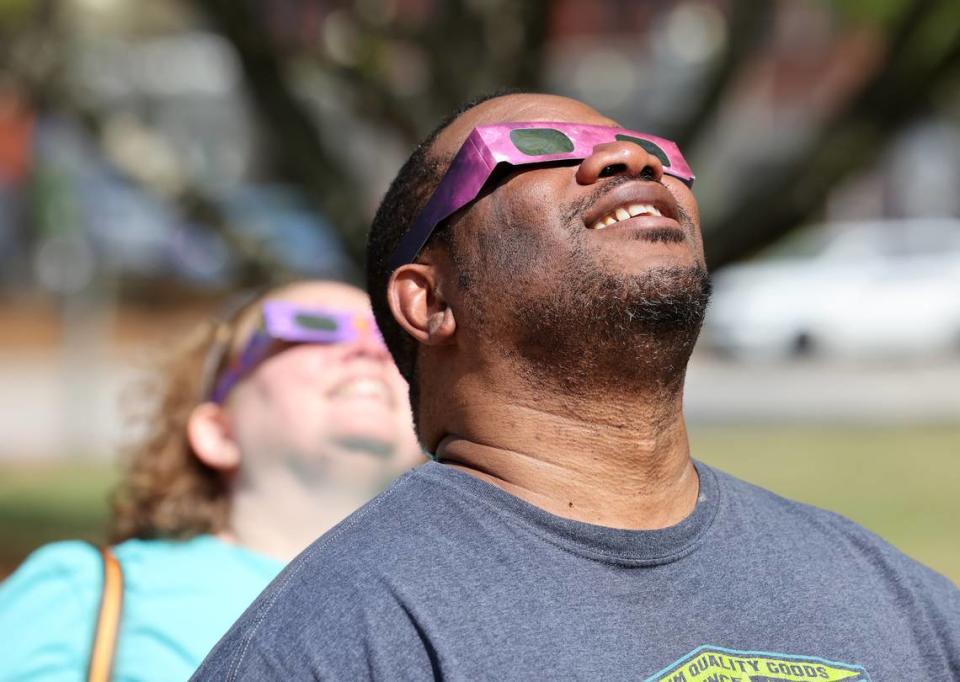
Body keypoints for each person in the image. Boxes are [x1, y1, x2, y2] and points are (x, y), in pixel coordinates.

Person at [194, 94, 960, 681]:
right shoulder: (342, 633)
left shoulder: (887, 590)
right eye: (534, 149)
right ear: (428, 301)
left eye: (652, 149)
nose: (628, 159)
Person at [0, 280, 423, 680]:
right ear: (218, 432)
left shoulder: (449, 608)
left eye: (392, 338)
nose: (369, 349)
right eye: (313, 327)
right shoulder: (85, 592)